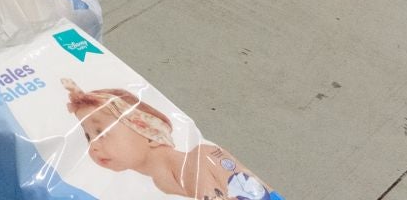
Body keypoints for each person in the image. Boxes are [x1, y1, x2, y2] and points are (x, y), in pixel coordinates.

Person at [64, 80, 278, 199]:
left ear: (149, 134)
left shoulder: (200, 159)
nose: (92, 145)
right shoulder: (159, 184)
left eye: (100, 133)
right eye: (88, 136)